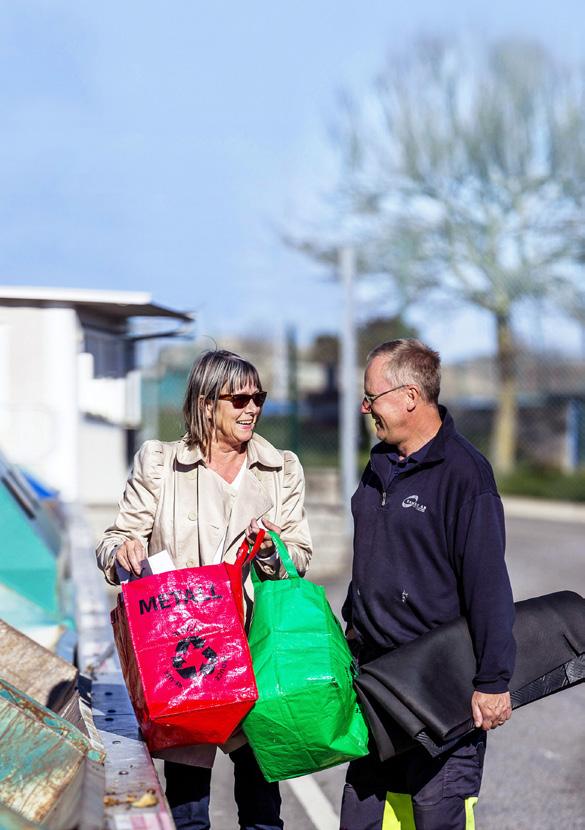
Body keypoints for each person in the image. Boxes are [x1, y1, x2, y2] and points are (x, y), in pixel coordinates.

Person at [96, 349, 312, 830]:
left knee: (262, 806)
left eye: (258, 398)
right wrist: (122, 552)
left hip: (256, 653)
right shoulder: (160, 464)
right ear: (206, 403)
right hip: (184, 657)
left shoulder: (282, 469)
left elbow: (300, 552)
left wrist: (275, 553)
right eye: (239, 398)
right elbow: (112, 541)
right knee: (189, 807)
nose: (251, 408)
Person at [340, 339, 516, 830]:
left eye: (371, 397)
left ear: (409, 396)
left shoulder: (465, 475)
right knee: (361, 820)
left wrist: (493, 682)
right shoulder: (377, 467)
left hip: (442, 688)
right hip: (377, 684)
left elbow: (488, 586)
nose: (365, 407)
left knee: (435, 818)